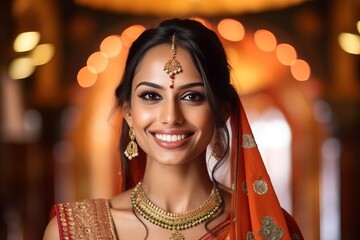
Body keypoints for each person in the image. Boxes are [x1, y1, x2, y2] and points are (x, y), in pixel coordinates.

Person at [43, 18, 303, 240]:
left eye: (191, 97)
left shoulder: (266, 227)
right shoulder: (73, 232)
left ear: (221, 111)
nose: (170, 117)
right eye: (150, 96)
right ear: (129, 113)